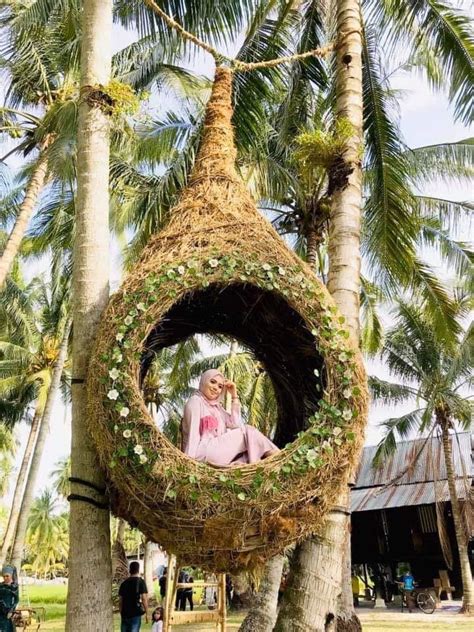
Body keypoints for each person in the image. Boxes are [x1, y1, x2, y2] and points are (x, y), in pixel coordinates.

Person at [182, 369, 279, 465]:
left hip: (217, 452)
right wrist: (189, 463)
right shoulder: (195, 401)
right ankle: (278, 456)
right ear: (203, 381)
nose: (216, 388)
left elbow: (235, 424)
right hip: (203, 453)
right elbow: (193, 435)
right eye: (212, 382)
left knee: (248, 450)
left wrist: (234, 396)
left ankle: (275, 458)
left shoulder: (217, 408)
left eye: (220, 386)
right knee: (247, 431)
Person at [118, 561, 149, 632]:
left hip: (125, 614)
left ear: (130, 570)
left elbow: (120, 602)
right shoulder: (140, 582)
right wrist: (147, 613)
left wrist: (121, 614)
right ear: (138, 570)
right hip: (135, 614)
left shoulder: (123, 583)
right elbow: (144, 598)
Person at [0, 565, 19, 632]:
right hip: (1, 611)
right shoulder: (0, 586)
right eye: (4, 576)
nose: (5, 578)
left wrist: (11, 611)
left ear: (11, 575)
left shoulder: (14, 587)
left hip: (9, 612)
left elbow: (16, 600)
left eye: (7, 576)